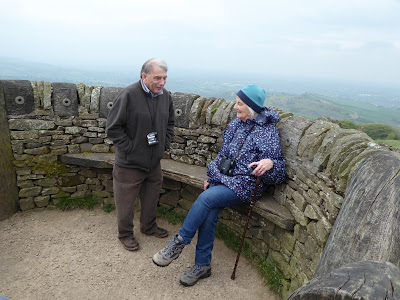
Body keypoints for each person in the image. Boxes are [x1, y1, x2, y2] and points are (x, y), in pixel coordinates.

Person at [152, 84, 286, 286]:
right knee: (210, 212)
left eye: (240, 103)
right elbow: (223, 156)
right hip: (223, 180)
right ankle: (202, 266)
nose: (235, 107)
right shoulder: (235, 125)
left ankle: (179, 243)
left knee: (206, 198)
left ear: (251, 107)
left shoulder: (267, 132)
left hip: (246, 186)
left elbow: (278, 174)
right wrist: (213, 178)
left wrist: (271, 163)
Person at [106, 58, 174, 251]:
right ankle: (125, 234)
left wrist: (163, 145)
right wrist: (131, 148)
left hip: (154, 162)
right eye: (157, 78)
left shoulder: (165, 96)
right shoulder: (128, 95)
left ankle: (148, 226)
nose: (162, 82)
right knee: (125, 203)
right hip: (129, 163)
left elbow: (170, 124)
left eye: (165, 78)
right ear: (144, 76)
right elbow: (113, 128)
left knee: (151, 197)